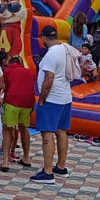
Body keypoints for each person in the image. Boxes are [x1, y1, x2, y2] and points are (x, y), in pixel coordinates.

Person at [30, 26, 73, 185]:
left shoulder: (51, 54)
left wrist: (42, 99)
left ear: (44, 38)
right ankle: (61, 166)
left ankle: (47, 172)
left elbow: (49, 78)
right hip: (65, 96)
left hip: (52, 99)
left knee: (47, 133)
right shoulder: (64, 48)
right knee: (61, 131)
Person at [0, 54, 35, 172]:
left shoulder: (7, 71)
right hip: (28, 101)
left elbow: (6, 88)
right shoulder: (29, 72)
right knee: (24, 128)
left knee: (7, 129)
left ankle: (5, 161)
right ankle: (26, 157)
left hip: (12, 100)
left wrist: (3, 100)